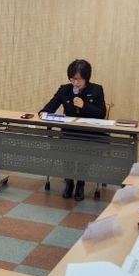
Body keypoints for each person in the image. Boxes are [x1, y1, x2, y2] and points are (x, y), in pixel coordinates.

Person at [39, 59, 106, 201]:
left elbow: (101, 113)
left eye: (78, 79)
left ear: (86, 78)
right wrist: (44, 112)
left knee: (85, 149)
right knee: (66, 147)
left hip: (89, 134)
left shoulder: (96, 89)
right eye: (72, 79)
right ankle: (69, 181)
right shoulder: (65, 89)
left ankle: (81, 182)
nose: (75, 83)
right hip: (69, 132)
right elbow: (51, 105)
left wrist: (84, 105)